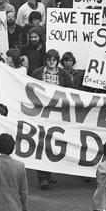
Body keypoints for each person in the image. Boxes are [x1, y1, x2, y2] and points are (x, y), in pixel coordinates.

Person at [30, 49, 71, 189]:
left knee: (53, 144)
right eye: (49, 59)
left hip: (57, 115)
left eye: (54, 59)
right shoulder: (37, 73)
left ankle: (48, 173)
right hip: (41, 113)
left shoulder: (63, 74)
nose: (51, 61)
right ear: (45, 60)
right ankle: (42, 177)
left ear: (57, 60)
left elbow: (72, 92)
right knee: (41, 143)